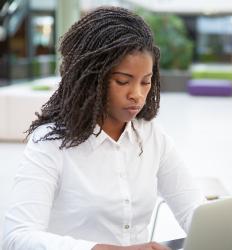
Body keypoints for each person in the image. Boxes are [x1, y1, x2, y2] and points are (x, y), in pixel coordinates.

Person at [2, 6, 205, 250]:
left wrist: (220, 232)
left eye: (146, 81)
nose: (137, 95)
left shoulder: (151, 136)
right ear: (92, 79)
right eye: (122, 81)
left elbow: (194, 212)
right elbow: (17, 237)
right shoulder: (50, 142)